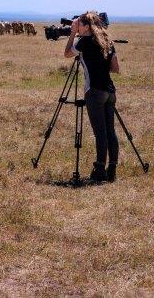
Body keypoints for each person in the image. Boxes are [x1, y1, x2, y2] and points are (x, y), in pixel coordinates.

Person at [64, 10, 121, 183]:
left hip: (94, 91)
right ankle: (111, 169)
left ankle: (99, 171)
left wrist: (73, 33)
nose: (77, 27)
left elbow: (67, 53)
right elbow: (115, 68)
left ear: (87, 27)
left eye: (79, 25)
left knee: (100, 133)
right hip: (110, 91)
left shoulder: (84, 42)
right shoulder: (107, 41)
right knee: (110, 131)